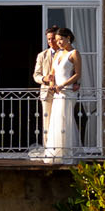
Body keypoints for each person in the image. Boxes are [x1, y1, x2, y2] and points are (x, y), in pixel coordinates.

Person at [44, 27, 81, 161]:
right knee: (56, 121)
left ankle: (68, 154)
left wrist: (62, 85)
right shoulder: (58, 54)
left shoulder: (74, 53)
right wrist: (52, 83)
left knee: (66, 121)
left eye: (61, 39)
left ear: (68, 38)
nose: (58, 42)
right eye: (57, 40)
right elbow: (53, 72)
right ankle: (56, 153)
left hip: (67, 91)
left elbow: (78, 74)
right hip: (57, 93)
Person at [30, 26, 60, 153]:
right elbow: (35, 75)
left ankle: (61, 150)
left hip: (62, 92)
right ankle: (49, 151)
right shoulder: (42, 55)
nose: (51, 41)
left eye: (53, 38)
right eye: (48, 39)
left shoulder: (66, 53)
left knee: (61, 120)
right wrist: (44, 78)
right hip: (47, 92)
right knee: (47, 123)